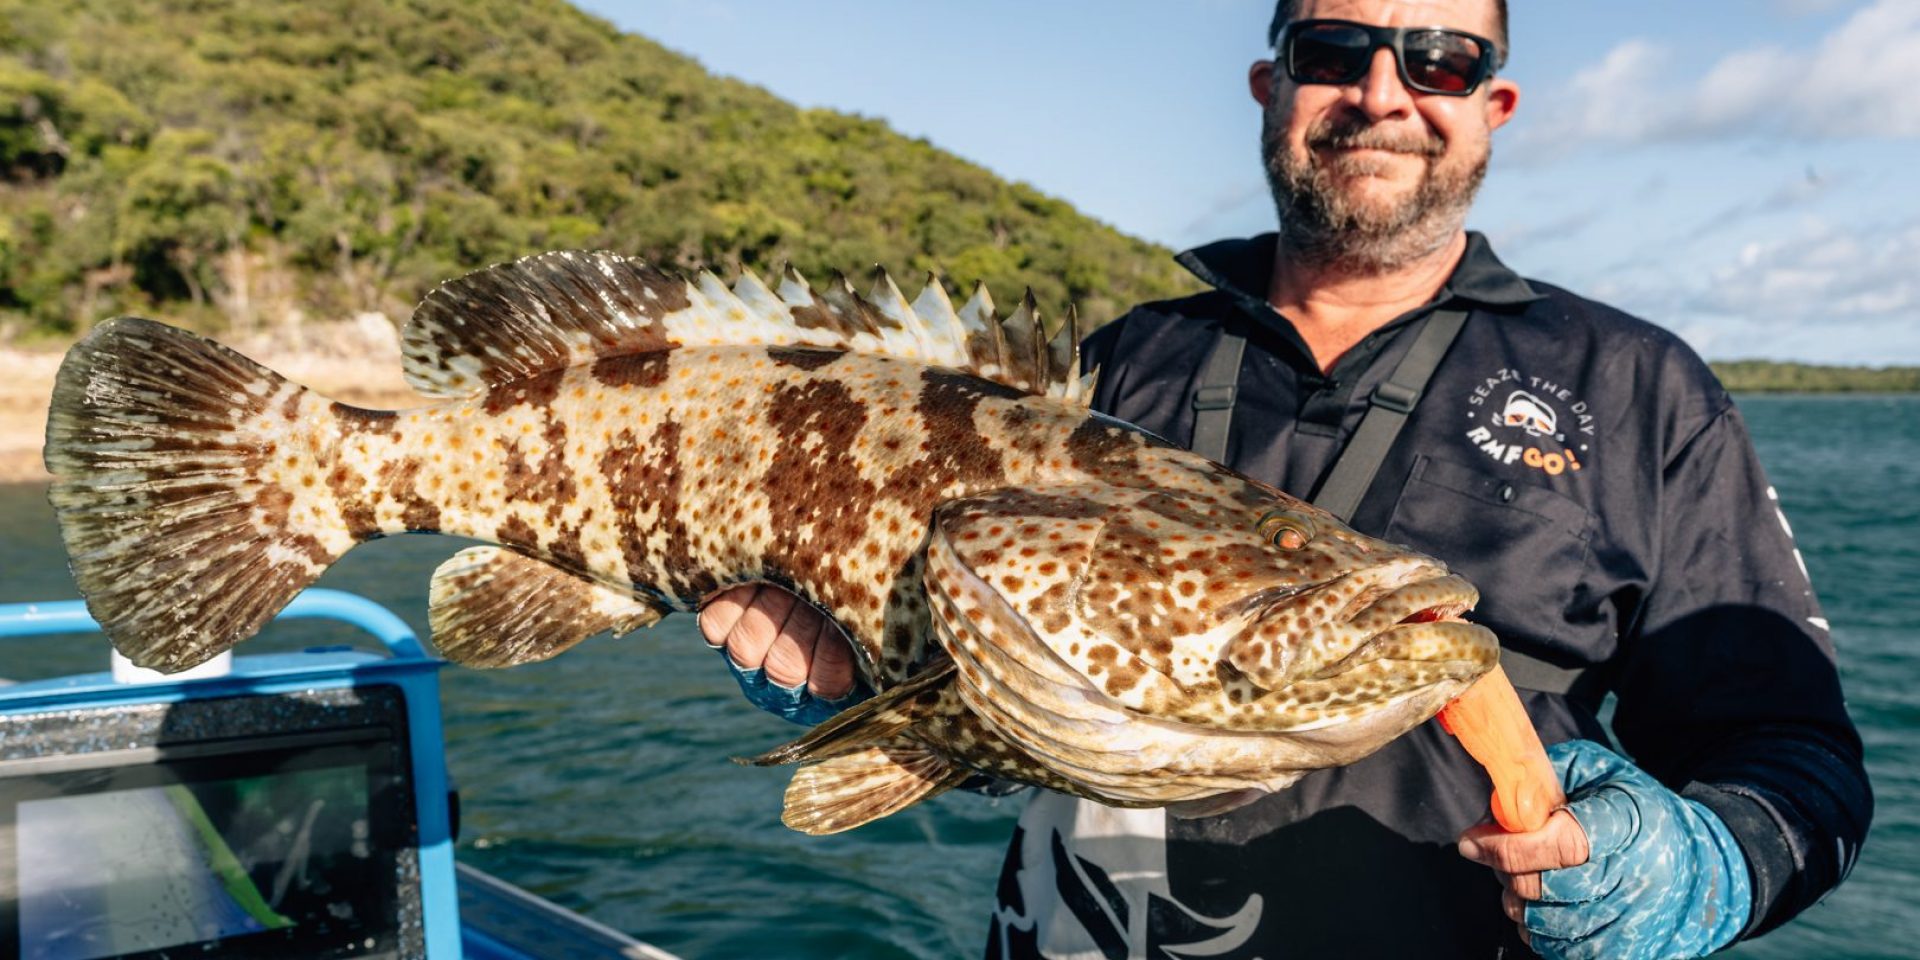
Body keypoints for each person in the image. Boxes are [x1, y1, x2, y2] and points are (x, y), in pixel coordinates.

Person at [698, 0, 1874, 956]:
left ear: (1493, 104)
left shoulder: (1638, 387)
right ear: (1271, 85)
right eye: (1334, 48)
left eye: (1441, 58)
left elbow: (1801, 763)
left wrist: (1704, 866)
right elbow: (1012, 716)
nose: (1381, 92)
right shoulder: (1110, 367)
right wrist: (867, 694)